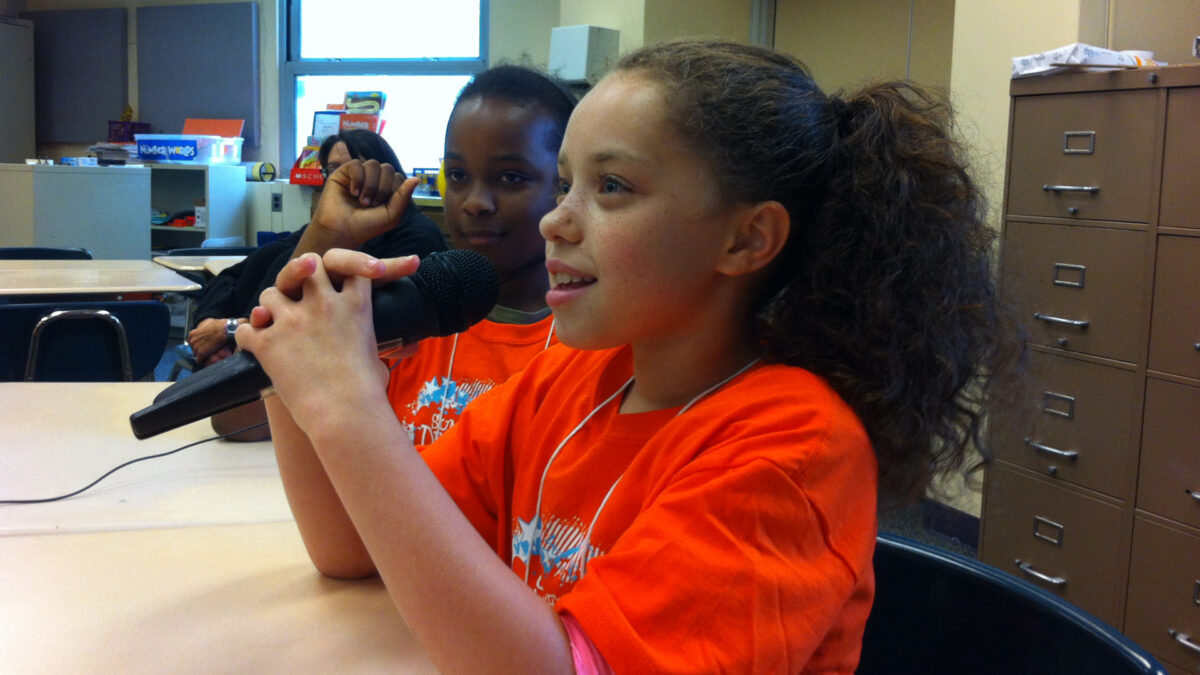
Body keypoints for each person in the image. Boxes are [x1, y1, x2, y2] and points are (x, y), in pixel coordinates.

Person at [237, 39, 1016, 674]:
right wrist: (298, 384)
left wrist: (353, 412)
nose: (555, 222)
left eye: (611, 187)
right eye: (565, 182)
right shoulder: (577, 375)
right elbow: (350, 550)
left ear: (746, 238)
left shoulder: (793, 449)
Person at [186, 129, 445, 439]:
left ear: (383, 171)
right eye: (332, 170)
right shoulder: (317, 230)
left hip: (315, 406)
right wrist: (213, 329)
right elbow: (232, 277)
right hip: (252, 382)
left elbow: (347, 328)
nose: (343, 178)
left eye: (354, 167)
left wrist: (231, 329)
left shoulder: (412, 237)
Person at [386, 65, 573, 445]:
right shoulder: (410, 317)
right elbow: (248, 418)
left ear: (567, 188)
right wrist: (327, 236)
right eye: (457, 176)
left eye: (510, 178)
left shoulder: (594, 342)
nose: (475, 203)